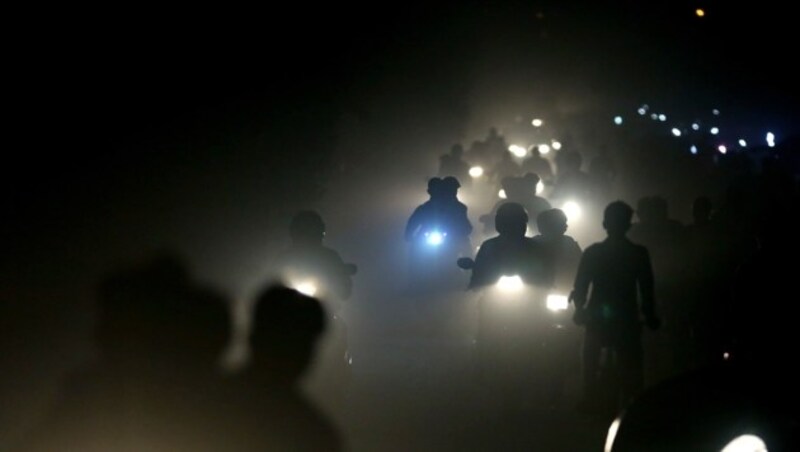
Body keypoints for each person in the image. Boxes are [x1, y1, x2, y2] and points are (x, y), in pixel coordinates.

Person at [571, 201, 660, 416]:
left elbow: (581, 285)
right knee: (632, 360)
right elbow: (647, 288)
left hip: (598, 314)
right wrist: (650, 315)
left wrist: (579, 309)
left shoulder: (593, 252)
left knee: (590, 355)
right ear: (628, 225)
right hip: (626, 315)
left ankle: (589, 394)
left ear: (605, 224)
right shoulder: (638, 253)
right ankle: (634, 401)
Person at [532, 208, 582, 294]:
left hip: (565, 286)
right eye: (562, 222)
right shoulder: (533, 244)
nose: (566, 225)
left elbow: (580, 264)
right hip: (538, 289)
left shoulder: (569, 243)